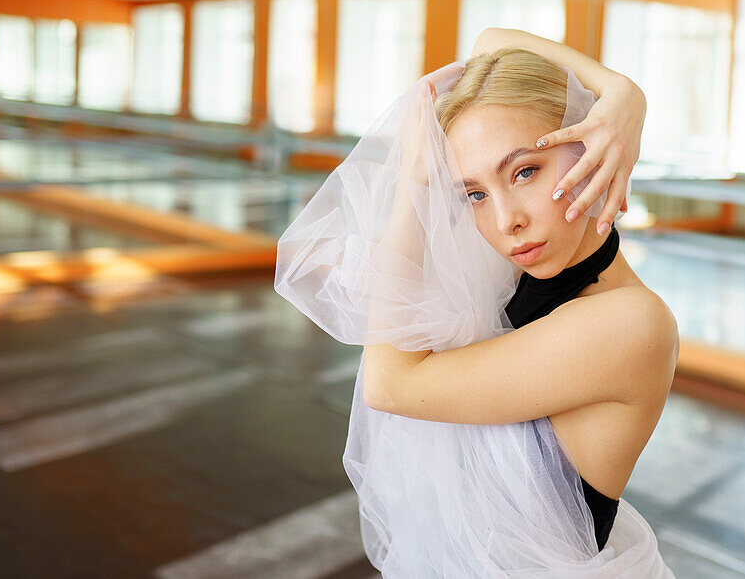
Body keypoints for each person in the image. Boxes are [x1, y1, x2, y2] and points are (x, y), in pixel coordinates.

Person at [275, 28, 678, 576]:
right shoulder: (522, 272)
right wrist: (620, 90)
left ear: (590, 148)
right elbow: (490, 42)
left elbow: (391, 385)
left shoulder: (629, 323)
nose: (506, 220)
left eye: (525, 171)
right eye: (475, 194)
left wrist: (416, 180)